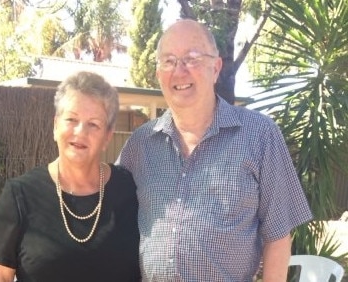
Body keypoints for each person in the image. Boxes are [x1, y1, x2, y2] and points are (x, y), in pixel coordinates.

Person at [116, 19, 313, 281]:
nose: (180, 71)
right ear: (158, 74)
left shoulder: (260, 135)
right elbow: (109, 215)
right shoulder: (140, 144)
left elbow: (278, 236)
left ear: (216, 67)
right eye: (169, 61)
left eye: (192, 58)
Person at [0, 71, 140, 282]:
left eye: (93, 124)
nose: (80, 132)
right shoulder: (20, 195)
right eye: (71, 119)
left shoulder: (130, 189)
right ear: (56, 126)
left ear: (107, 137)